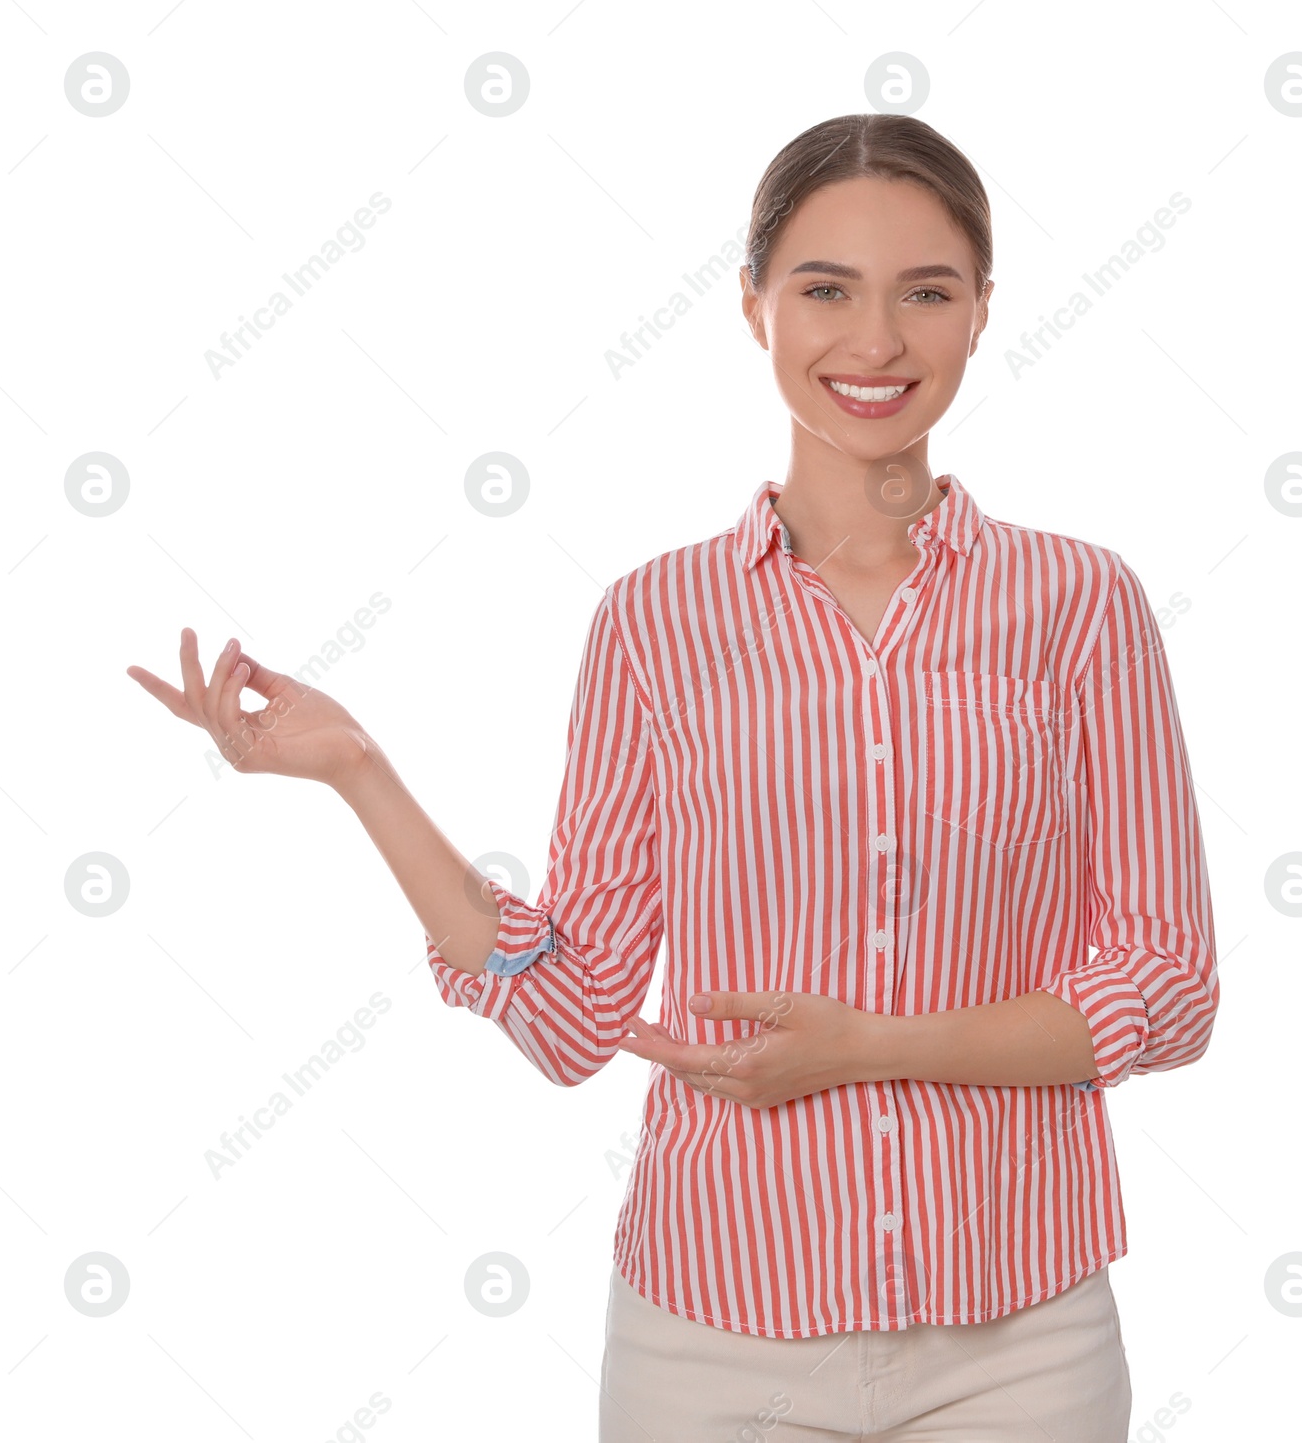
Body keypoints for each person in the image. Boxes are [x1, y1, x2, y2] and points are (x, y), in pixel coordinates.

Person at [127, 113, 1219, 1443]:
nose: (873, 342)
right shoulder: (654, 623)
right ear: (754, 302)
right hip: (713, 1343)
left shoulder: (1079, 604)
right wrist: (360, 773)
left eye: (924, 293)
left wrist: (868, 1051)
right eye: (824, 289)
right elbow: (577, 1010)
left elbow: (1167, 986)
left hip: (1020, 1340)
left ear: (983, 312)